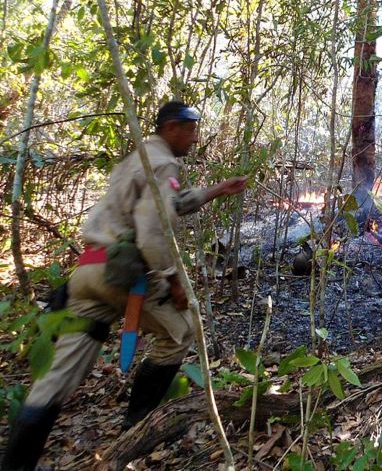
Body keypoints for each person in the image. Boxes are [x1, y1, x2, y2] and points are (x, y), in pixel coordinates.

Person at [2, 101, 248, 470]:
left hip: (88, 273)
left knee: (60, 375)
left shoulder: (139, 157)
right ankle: (138, 427)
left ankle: (15, 463)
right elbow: (151, 232)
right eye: (190, 129)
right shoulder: (162, 162)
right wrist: (173, 280)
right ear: (171, 128)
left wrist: (217, 190)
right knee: (180, 332)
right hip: (123, 275)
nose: (194, 138)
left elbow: (171, 204)